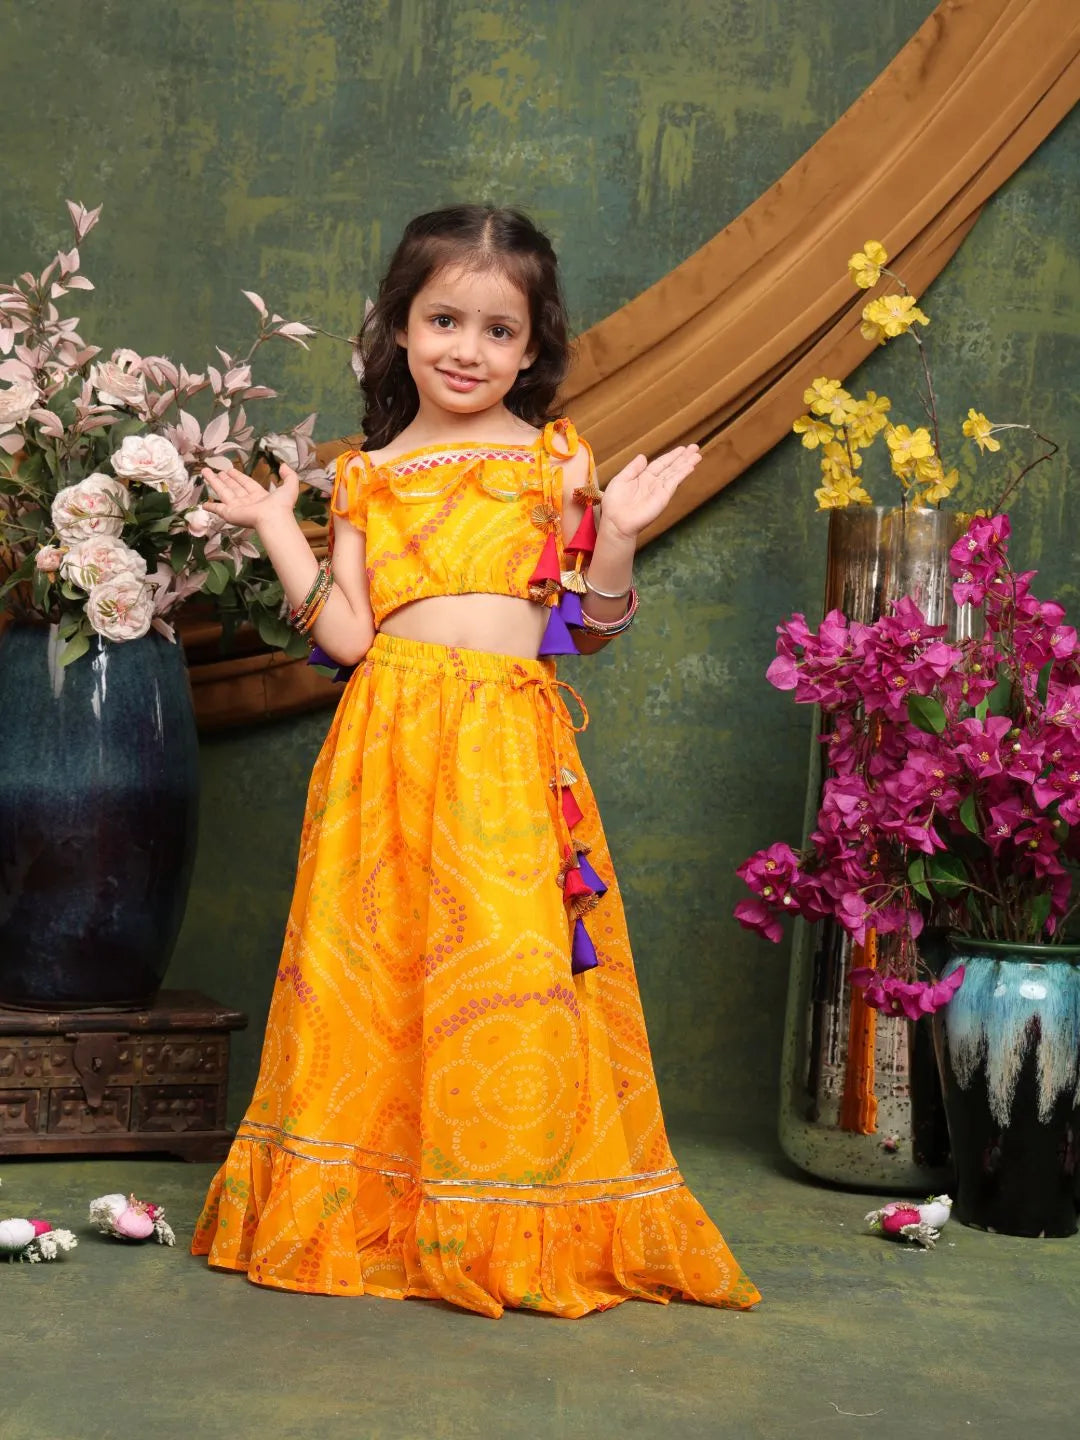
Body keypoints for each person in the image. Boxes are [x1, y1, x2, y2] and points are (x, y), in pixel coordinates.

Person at [191, 204, 759, 1318]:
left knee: (510, 968)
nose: (467, 348)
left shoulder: (552, 461)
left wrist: (626, 534)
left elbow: (588, 627)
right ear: (396, 328)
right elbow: (347, 639)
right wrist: (274, 525)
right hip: (384, 745)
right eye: (442, 318)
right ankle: (373, 1207)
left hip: (506, 743)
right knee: (381, 970)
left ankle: (507, 1211)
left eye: (498, 331)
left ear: (535, 347)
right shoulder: (365, 476)